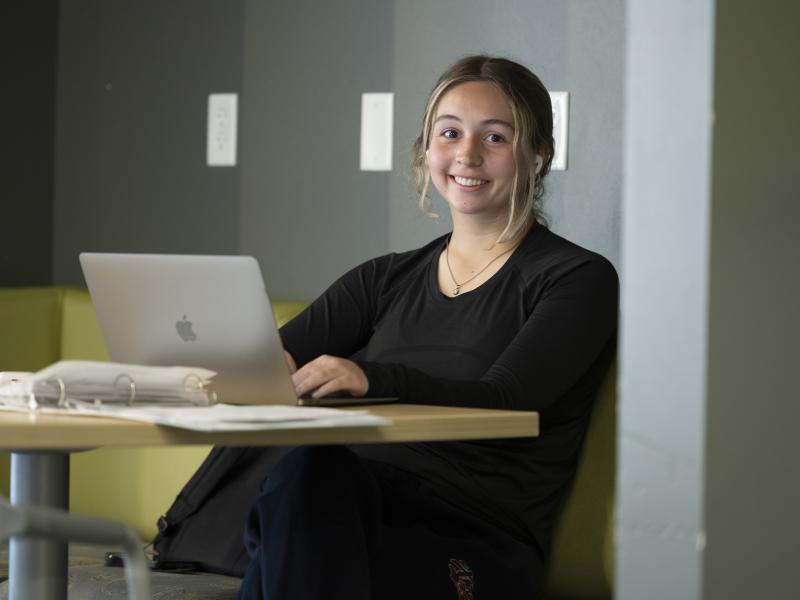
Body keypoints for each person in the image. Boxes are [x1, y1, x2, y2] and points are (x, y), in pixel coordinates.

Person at [237, 55, 618, 600]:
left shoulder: (577, 279)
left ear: (539, 154)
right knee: (306, 472)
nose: (466, 154)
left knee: (292, 546)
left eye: (495, 137)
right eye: (450, 133)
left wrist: (374, 378)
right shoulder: (384, 278)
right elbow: (265, 358)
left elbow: (509, 398)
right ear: (427, 150)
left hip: (476, 537)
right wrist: (258, 367)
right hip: (358, 511)